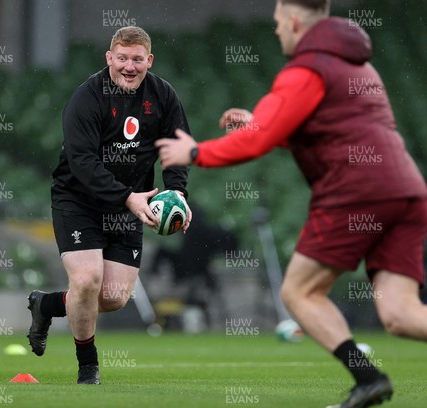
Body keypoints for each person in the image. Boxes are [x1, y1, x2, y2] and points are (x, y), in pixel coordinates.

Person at [156, 1, 427, 407]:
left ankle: (367, 378)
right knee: (402, 315)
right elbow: (324, 129)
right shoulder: (359, 67)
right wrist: (257, 123)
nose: (277, 29)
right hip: (405, 190)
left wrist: (197, 153)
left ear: (296, 22)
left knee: (299, 293)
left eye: (279, 22)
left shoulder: (305, 70)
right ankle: (368, 380)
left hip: (356, 191)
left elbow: (259, 142)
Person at [27, 26, 192, 385]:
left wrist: (177, 191)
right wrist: (128, 197)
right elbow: (83, 163)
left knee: (114, 297)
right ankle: (88, 367)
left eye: (136, 59)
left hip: (128, 204)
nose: (129, 67)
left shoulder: (163, 96)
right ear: (109, 58)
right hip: (78, 199)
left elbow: (177, 148)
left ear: (149, 60)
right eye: (122, 58)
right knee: (87, 280)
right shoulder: (87, 98)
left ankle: (47, 305)